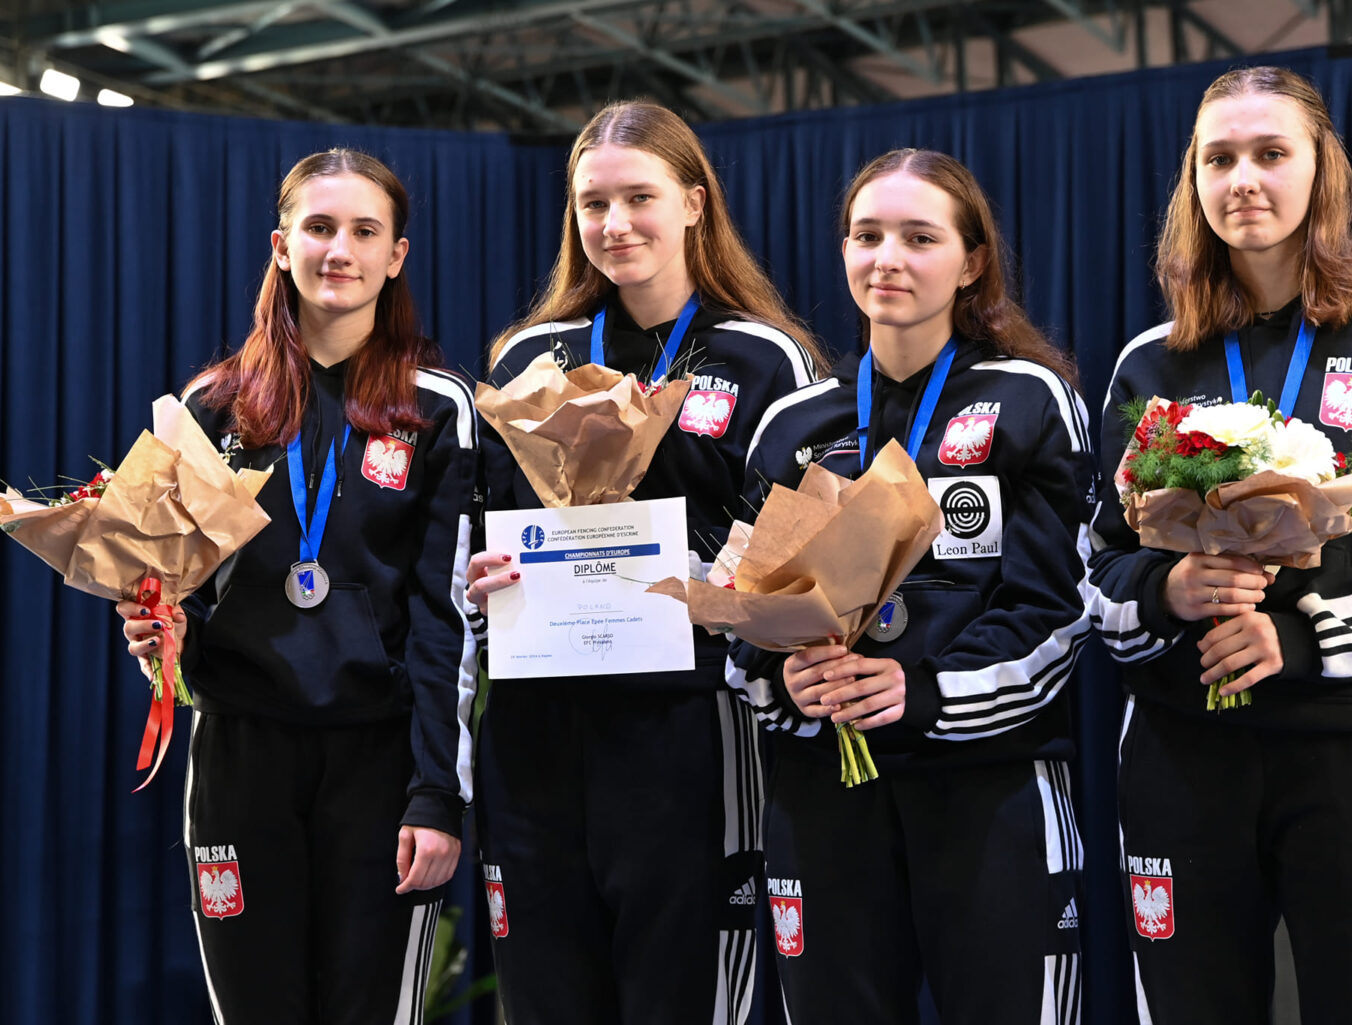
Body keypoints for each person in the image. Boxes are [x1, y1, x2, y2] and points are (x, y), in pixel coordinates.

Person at [1089, 67, 1352, 1025]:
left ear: (1321, 171)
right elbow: (1099, 566)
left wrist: (1315, 635)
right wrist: (1172, 591)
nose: (1244, 178)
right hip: (1182, 751)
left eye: (1271, 153)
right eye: (1220, 158)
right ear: (1192, 184)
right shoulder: (1148, 361)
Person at [464, 101, 827, 1025]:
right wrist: (483, 584)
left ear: (695, 202)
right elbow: (487, 531)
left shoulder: (762, 356)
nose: (613, 225)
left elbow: (793, 558)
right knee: (547, 999)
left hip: (689, 726)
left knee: (687, 999)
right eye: (593, 204)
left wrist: (733, 586)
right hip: (541, 721)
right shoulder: (528, 357)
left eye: (639, 198)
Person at [727, 149, 1092, 1025]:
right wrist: (787, 681)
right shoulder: (795, 423)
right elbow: (742, 608)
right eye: (867, 235)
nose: (886, 257)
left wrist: (919, 690)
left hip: (988, 785)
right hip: (825, 793)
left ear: (971, 262)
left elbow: (1062, 608)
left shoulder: (1028, 398)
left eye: (918, 237)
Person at [117, 149, 478, 1025]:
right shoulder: (213, 408)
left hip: (379, 764)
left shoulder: (439, 410)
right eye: (319, 228)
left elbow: (445, 622)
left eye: (364, 231)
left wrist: (437, 793)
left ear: (397, 255)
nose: (338, 250)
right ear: (282, 246)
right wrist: (159, 640)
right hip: (241, 757)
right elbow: (180, 592)